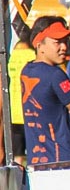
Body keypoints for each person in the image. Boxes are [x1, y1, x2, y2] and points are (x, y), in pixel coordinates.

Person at [21, 16, 70, 165]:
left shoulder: (26, 71)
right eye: (57, 42)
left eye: (65, 41)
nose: (64, 47)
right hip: (61, 158)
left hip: (37, 159)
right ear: (40, 45)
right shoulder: (56, 75)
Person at [7, 28, 36, 165]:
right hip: (29, 109)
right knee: (32, 151)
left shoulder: (10, 56)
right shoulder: (32, 56)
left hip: (12, 111)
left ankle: (17, 183)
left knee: (17, 153)